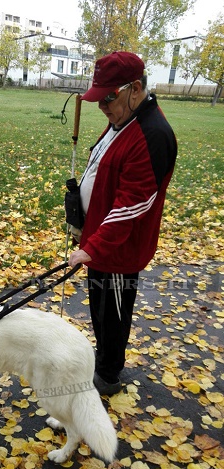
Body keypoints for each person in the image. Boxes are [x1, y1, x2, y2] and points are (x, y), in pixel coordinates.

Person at [68, 51, 177, 396]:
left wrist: (93, 247)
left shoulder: (153, 134)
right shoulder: (122, 120)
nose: (103, 106)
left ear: (135, 89)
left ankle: (108, 376)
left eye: (109, 98)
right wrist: (80, 215)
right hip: (98, 241)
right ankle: (103, 360)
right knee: (100, 312)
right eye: (98, 99)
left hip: (117, 250)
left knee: (113, 316)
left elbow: (133, 205)